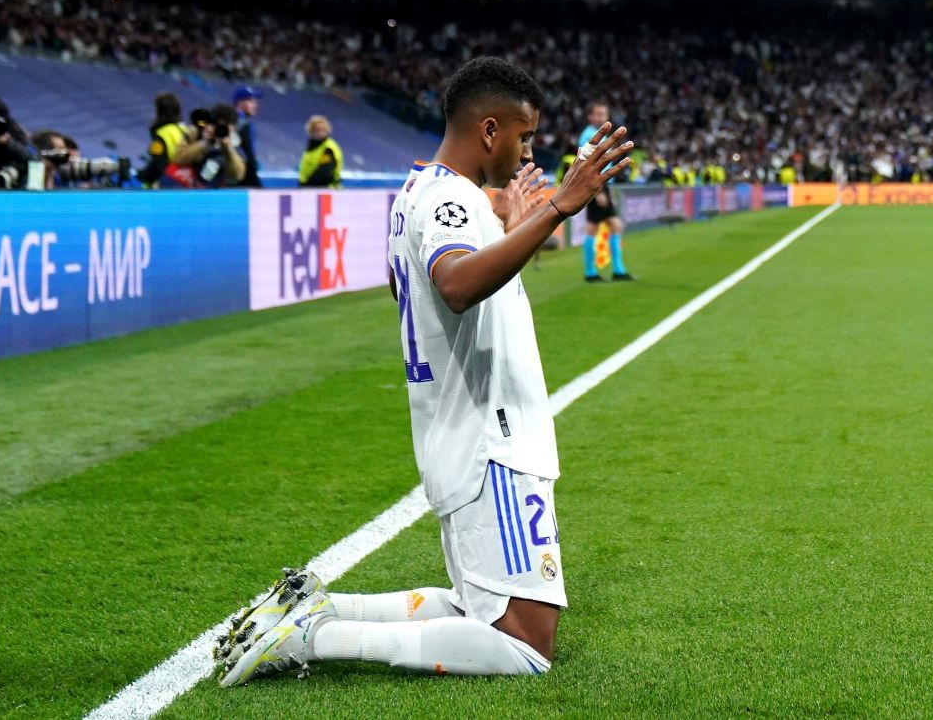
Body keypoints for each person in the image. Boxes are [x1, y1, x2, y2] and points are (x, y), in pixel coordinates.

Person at [215, 57, 635, 686]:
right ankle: (313, 636)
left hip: (460, 432)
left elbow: (405, 285)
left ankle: (317, 607)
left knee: (480, 610)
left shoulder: (416, 191)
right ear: (489, 130)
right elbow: (456, 285)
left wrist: (510, 229)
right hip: (490, 437)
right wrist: (556, 212)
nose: (526, 152)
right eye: (522, 137)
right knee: (526, 641)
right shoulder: (450, 198)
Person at [575, 103, 633, 280]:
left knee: (600, 227)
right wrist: (598, 191)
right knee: (612, 226)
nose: (601, 117)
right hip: (595, 183)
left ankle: (596, 272)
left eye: (604, 114)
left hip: (600, 183)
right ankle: (611, 271)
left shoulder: (602, 135)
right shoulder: (589, 135)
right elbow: (588, 163)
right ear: (590, 117)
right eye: (598, 114)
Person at [139, 91, 192, 188]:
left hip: (168, 186)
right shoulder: (186, 130)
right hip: (187, 183)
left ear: (159, 111)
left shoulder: (161, 135)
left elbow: (157, 166)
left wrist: (141, 176)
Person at [299, 115, 343, 188]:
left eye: (322, 130)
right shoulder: (312, 147)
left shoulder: (328, 148)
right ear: (311, 131)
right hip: (311, 189)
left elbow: (325, 174)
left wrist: (306, 185)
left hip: (326, 190)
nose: (320, 132)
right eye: (317, 130)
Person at [233, 86, 263, 187]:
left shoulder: (230, 121)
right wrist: (256, 184)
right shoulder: (243, 124)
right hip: (243, 180)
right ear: (240, 102)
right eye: (251, 101)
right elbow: (248, 155)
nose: (255, 105)